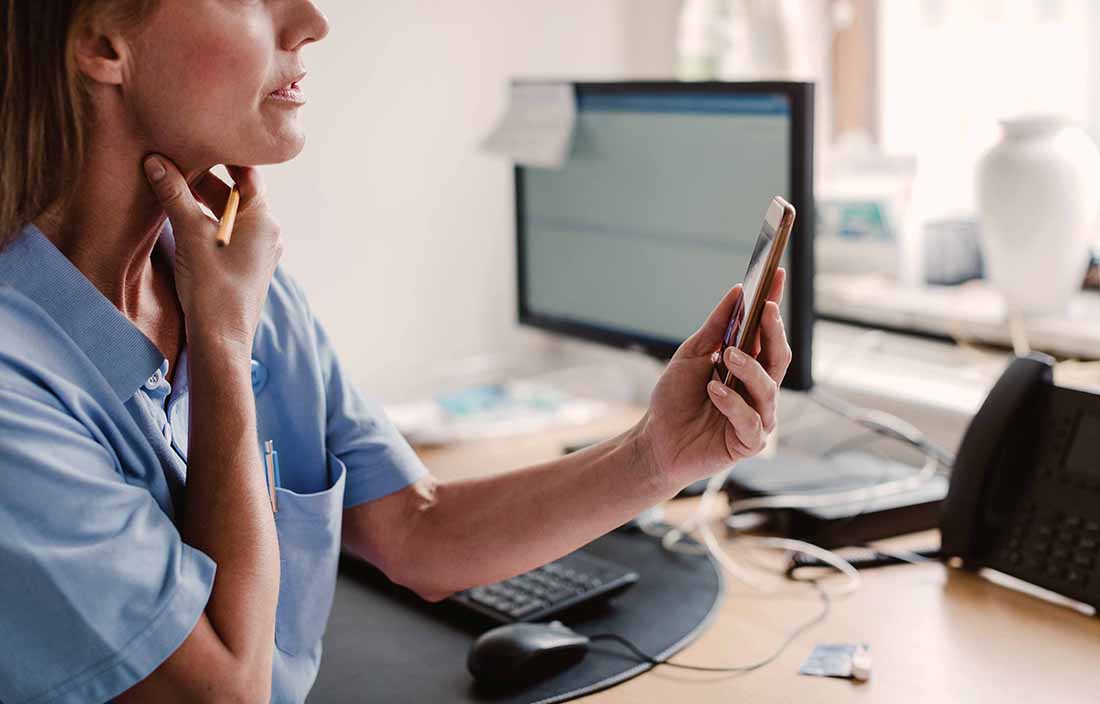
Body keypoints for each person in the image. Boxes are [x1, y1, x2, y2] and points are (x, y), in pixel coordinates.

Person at [0, 2, 792, 702]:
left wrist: (658, 454)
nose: (310, 21)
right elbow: (227, 695)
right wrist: (221, 340)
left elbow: (419, 532)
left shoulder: (228, 279)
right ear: (104, 42)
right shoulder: (28, 379)